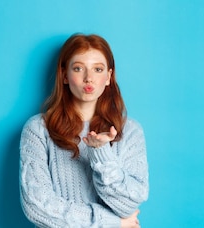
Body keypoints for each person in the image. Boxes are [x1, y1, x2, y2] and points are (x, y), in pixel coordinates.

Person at [19, 33, 149, 228]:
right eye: (78, 68)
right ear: (64, 75)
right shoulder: (38, 129)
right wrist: (112, 223)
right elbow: (37, 206)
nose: (89, 78)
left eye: (98, 69)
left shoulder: (130, 131)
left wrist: (101, 153)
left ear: (108, 77)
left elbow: (128, 205)